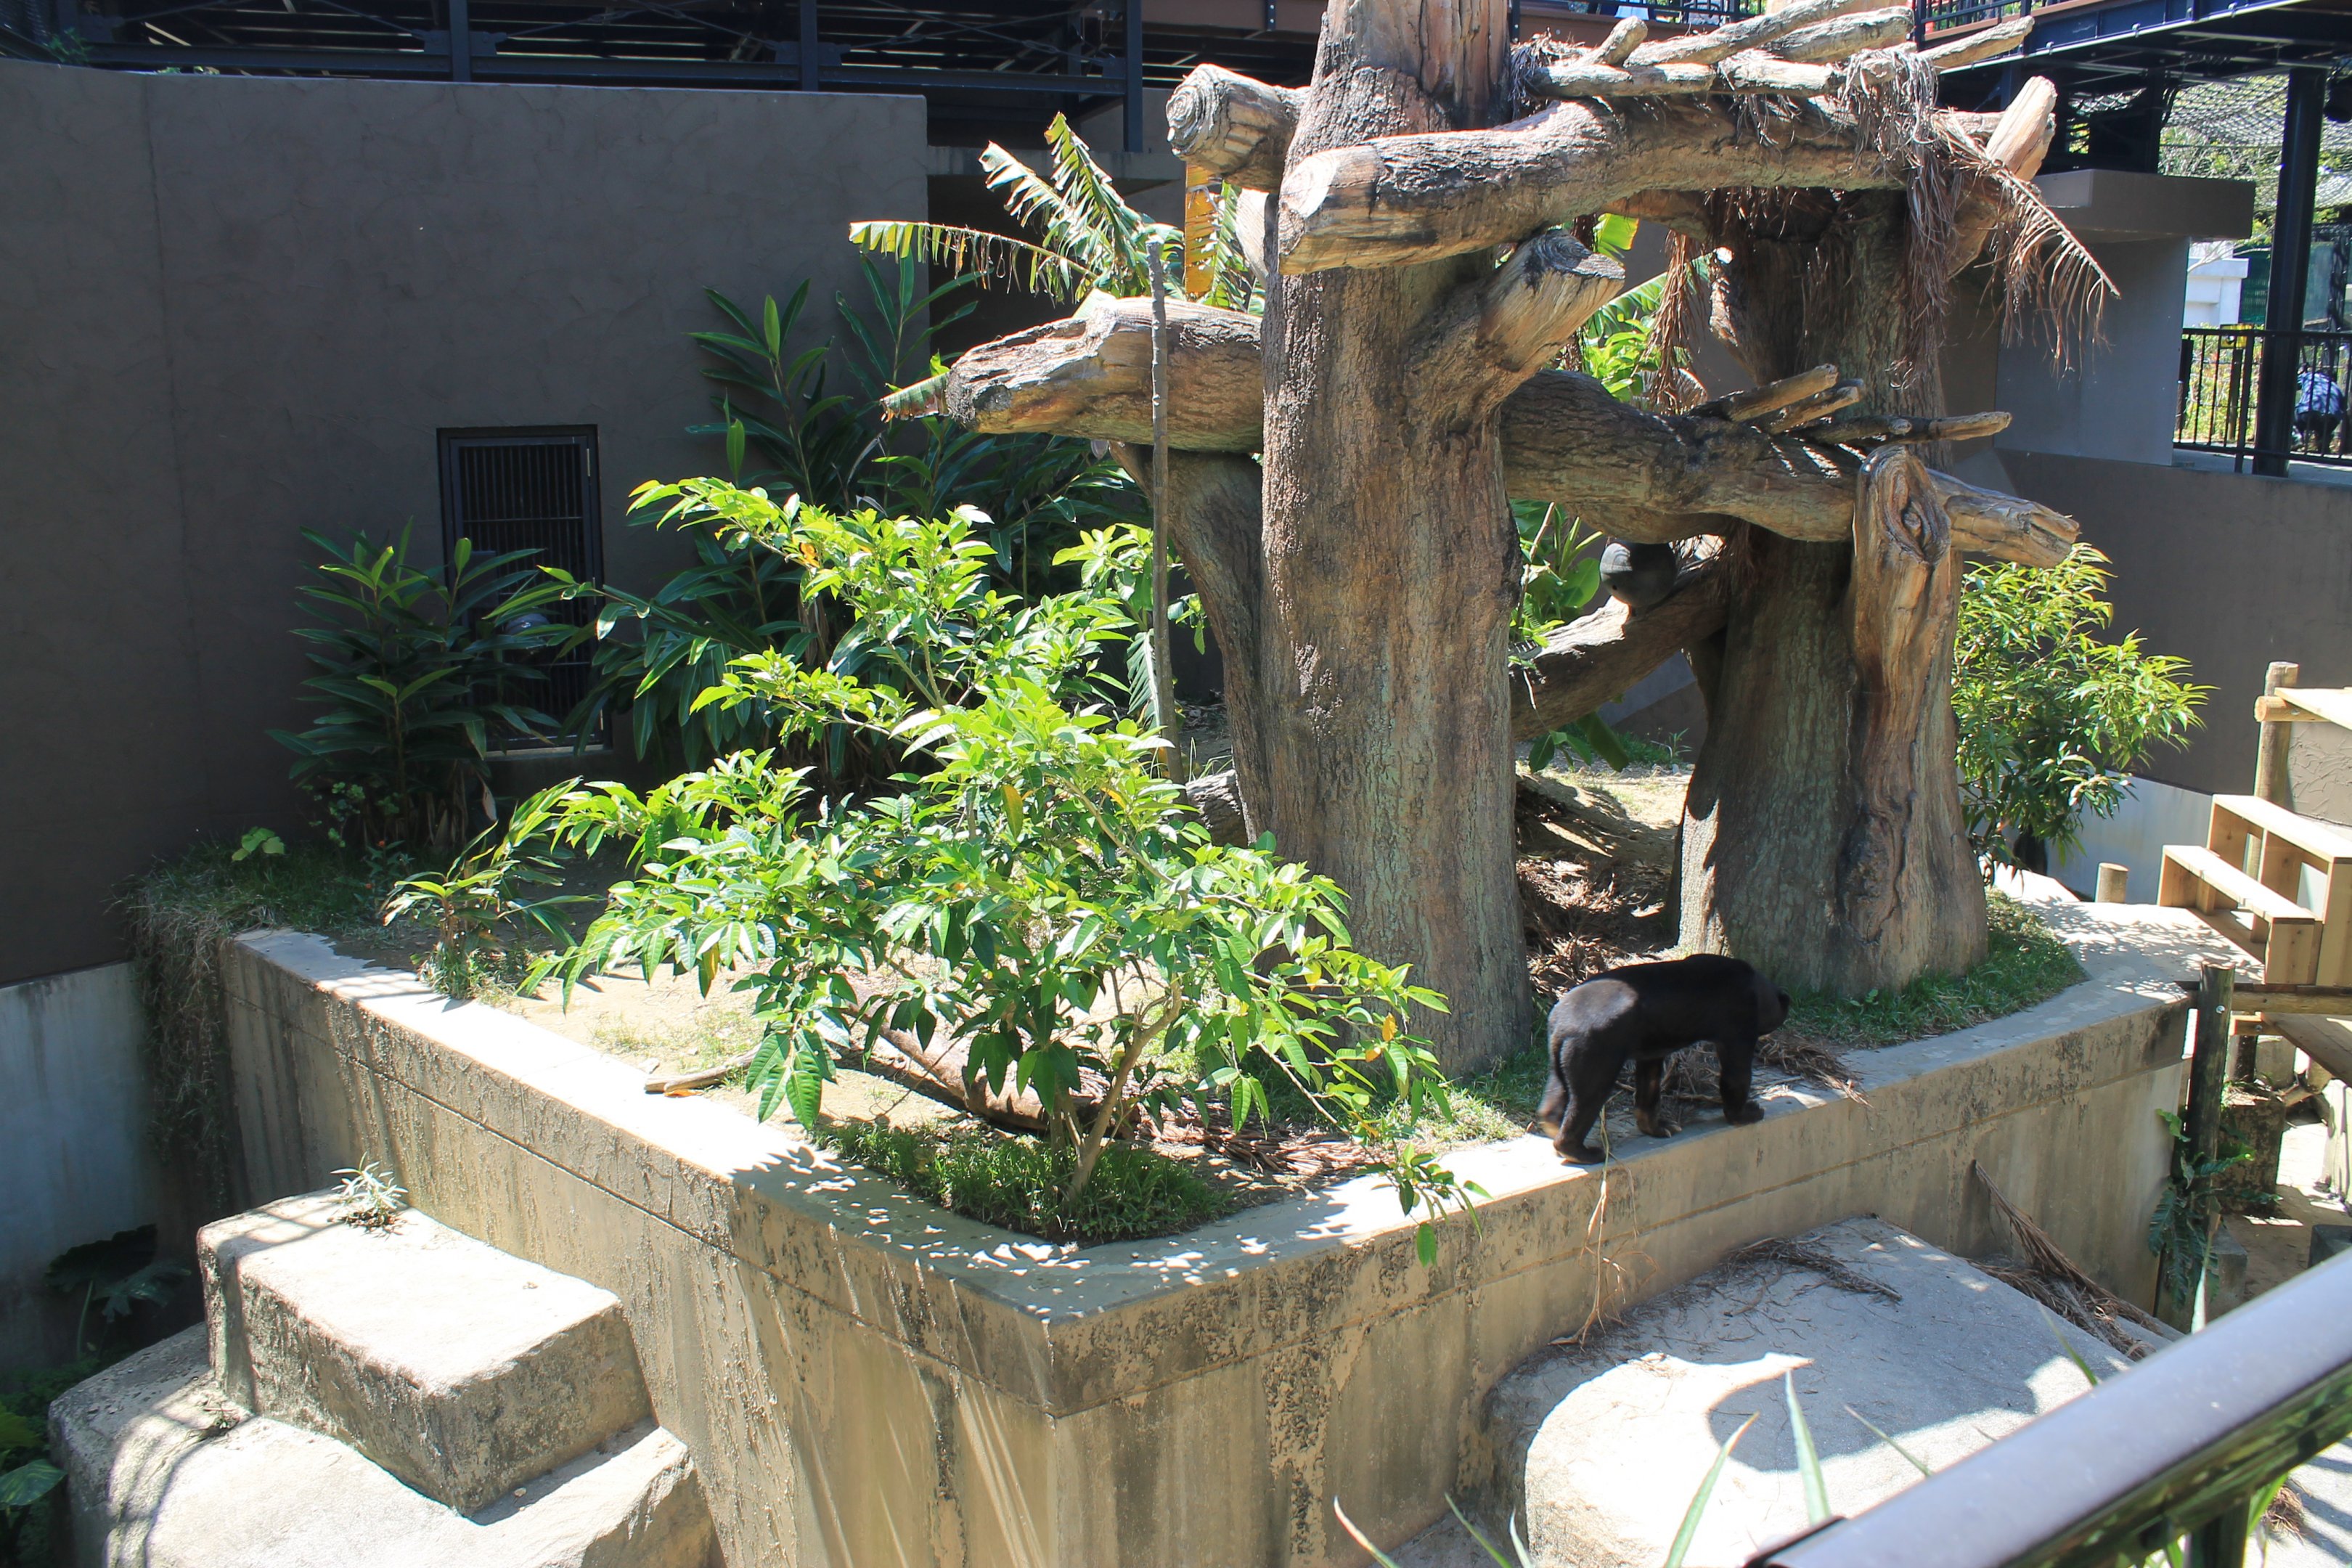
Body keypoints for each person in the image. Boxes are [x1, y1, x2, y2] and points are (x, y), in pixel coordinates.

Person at [2298, 364, 2345, 454]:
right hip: (2331, 419)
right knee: (2328, 423)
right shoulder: (2336, 387)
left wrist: (2300, 372)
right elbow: (2343, 409)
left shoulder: (2309, 377)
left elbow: (2290, 385)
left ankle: (2297, 437)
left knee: (2290, 412)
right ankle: (2324, 443)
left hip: (2309, 412)